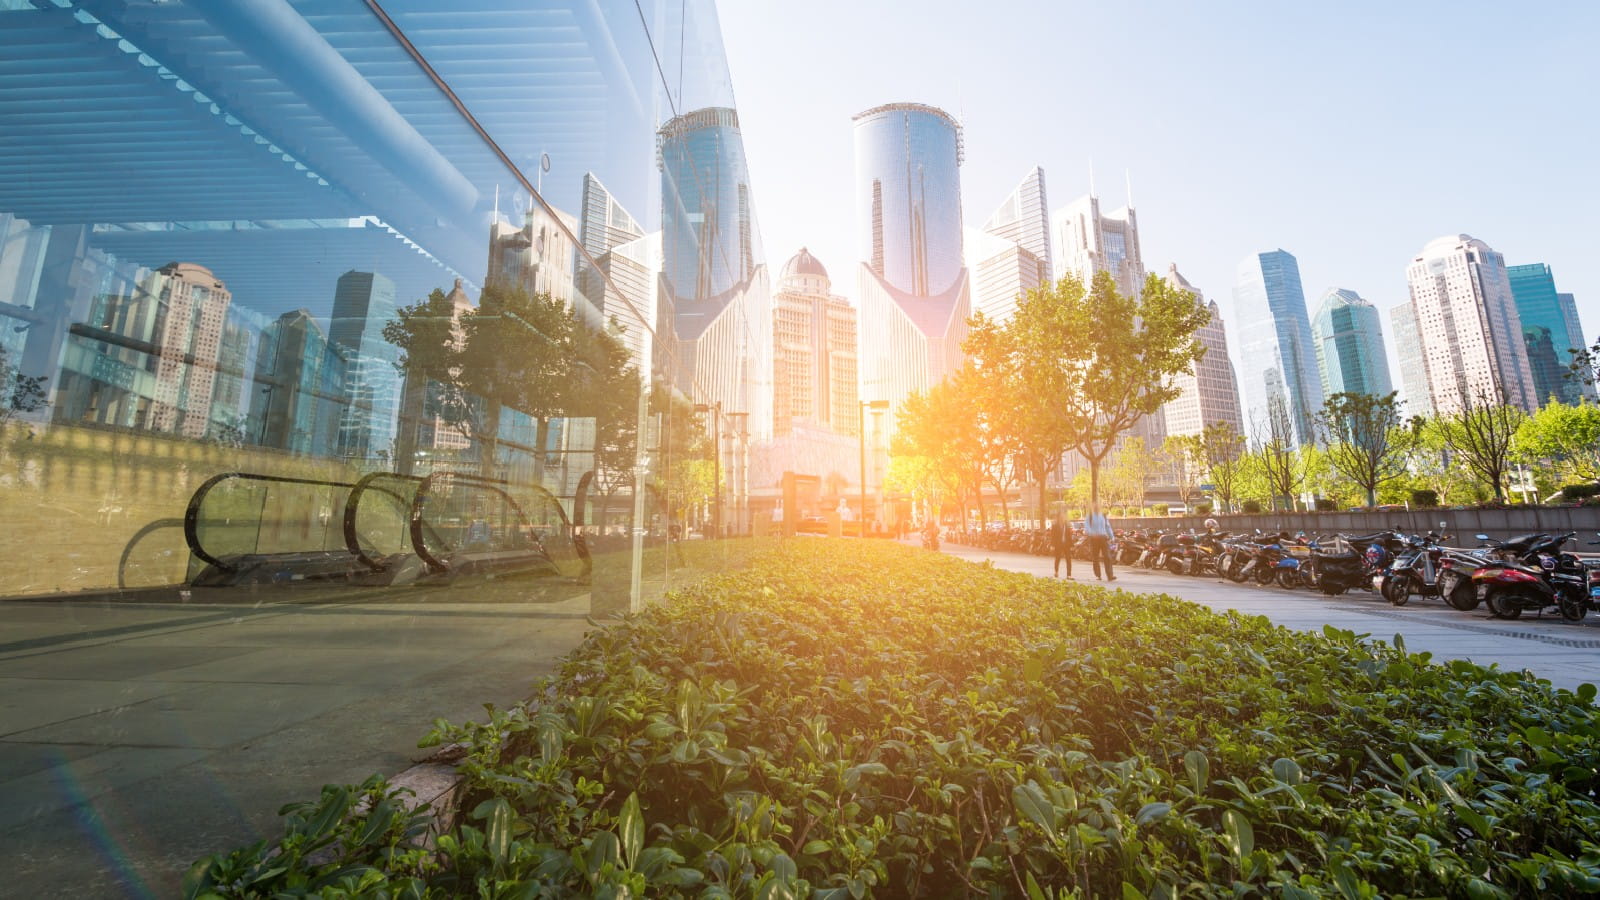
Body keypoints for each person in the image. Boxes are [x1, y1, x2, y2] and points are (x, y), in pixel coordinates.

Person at [1083, 506, 1116, 581]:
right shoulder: (1090, 516)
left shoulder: (1103, 516)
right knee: (1095, 557)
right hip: (1094, 539)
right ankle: (1098, 575)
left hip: (1103, 538)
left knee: (1107, 556)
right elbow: (1087, 527)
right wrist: (1092, 533)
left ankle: (1110, 575)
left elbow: (1107, 527)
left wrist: (1112, 537)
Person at [1049, 511, 1075, 578]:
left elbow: (1069, 535)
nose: (1063, 517)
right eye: (1061, 516)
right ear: (1059, 517)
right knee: (1058, 558)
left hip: (1066, 544)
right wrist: (1052, 545)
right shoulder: (1055, 525)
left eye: (1064, 516)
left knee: (1068, 559)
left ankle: (1069, 574)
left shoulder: (1067, 525)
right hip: (1058, 544)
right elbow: (1053, 536)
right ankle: (1056, 572)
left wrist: (1072, 545)